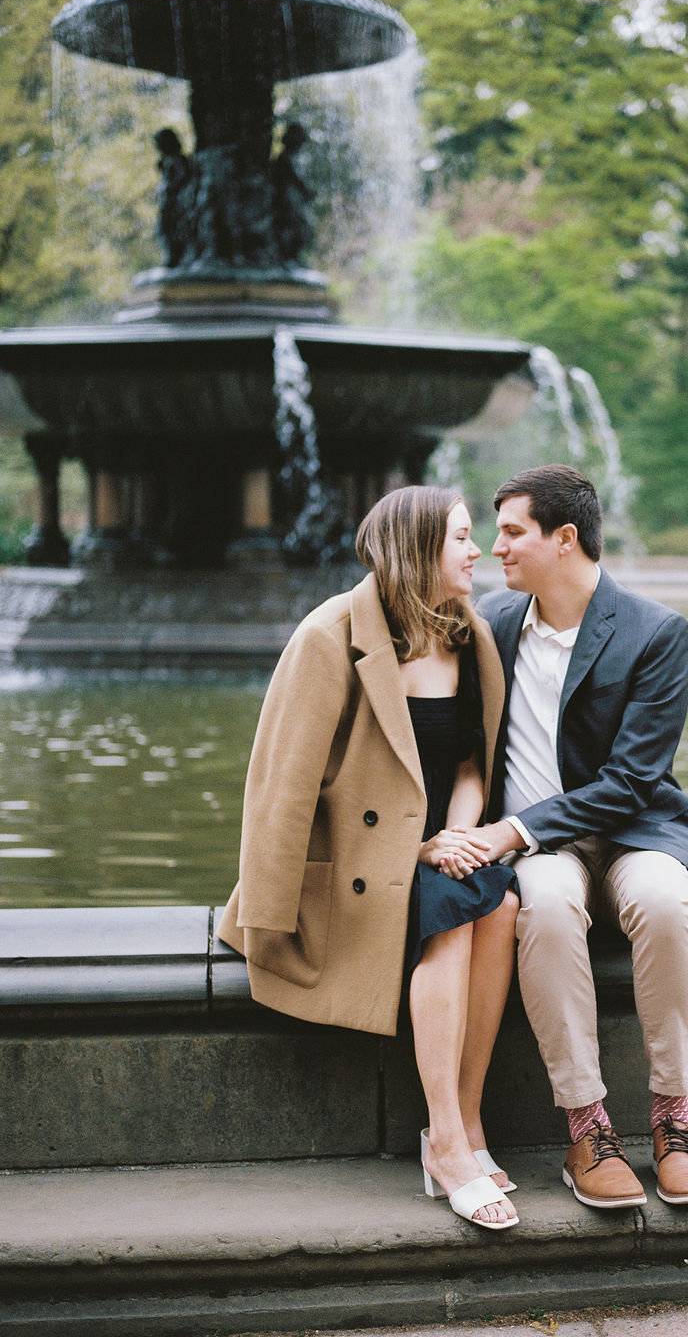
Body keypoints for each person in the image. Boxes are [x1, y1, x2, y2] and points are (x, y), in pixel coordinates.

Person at [217, 487, 520, 1230]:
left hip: (446, 841)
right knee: (452, 922)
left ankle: (470, 1122)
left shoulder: (469, 635)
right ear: (418, 549)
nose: (476, 551)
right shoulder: (330, 635)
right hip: (360, 861)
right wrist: (268, 912)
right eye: (460, 538)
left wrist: (461, 841)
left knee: (503, 904)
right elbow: (281, 784)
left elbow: (476, 761)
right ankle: (445, 1145)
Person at [463, 464, 688, 1210]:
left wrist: (512, 829)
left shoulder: (656, 631)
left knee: (667, 906)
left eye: (512, 531)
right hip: (547, 852)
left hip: (639, 828)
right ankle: (588, 1127)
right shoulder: (494, 624)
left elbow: (635, 781)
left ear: (564, 538)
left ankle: (673, 1119)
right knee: (540, 906)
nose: (496, 547)